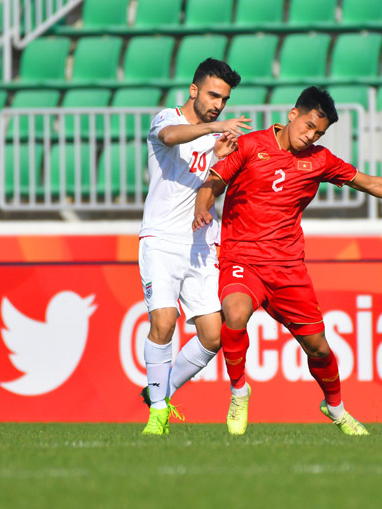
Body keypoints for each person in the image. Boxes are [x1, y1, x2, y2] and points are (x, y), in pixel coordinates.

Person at [193, 87, 382, 436]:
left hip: (288, 267)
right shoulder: (251, 145)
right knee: (234, 312)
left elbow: (370, 183)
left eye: (318, 133)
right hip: (242, 257)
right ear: (293, 114)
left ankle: (335, 407)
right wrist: (203, 205)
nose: (310, 136)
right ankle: (239, 392)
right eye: (308, 126)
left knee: (318, 347)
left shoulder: (320, 160)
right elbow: (214, 180)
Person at [139, 58, 252, 436]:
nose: (219, 104)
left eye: (224, 99)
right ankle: (158, 412)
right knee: (164, 322)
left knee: (213, 335)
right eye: (213, 95)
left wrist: (220, 158)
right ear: (194, 90)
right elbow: (170, 138)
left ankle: (161, 391)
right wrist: (213, 128)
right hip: (161, 239)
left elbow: (210, 183)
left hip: (201, 242)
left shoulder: (216, 137)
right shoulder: (165, 118)